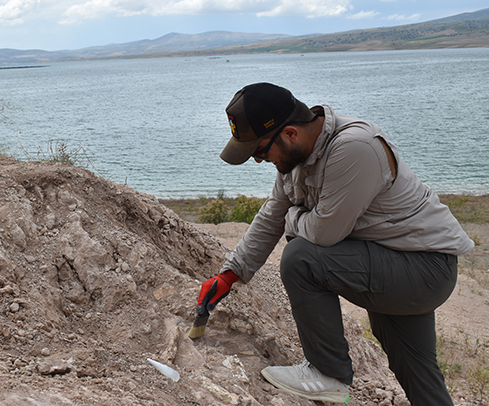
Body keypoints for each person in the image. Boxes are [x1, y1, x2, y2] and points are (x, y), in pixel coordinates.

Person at [195, 82, 474, 405]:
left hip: (422, 269)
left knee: (301, 257)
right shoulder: (295, 158)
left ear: (290, 134)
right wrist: (230, 274)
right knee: (415, 368)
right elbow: (273, 214)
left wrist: (292, 218)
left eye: (260, 151)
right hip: (390, 260)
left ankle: (327, 373)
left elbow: (323, 234)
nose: (259, 161)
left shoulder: (354, 149)